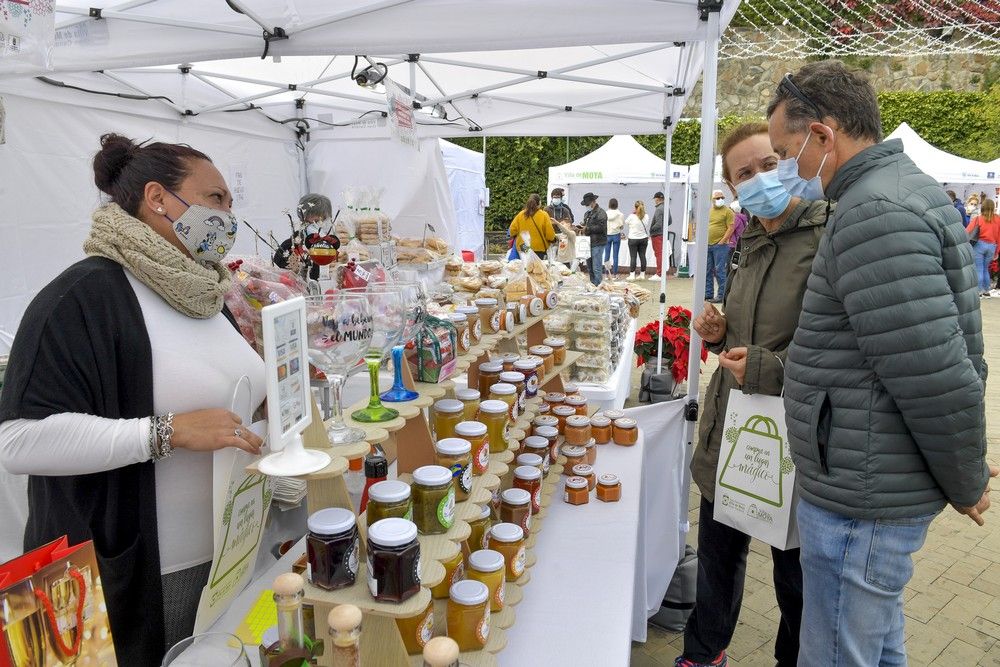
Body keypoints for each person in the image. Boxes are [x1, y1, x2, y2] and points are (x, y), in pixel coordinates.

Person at [0, 134, 266, 663]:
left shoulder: (205, 295)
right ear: (158, 198)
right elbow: (18, 441)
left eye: (230, 203)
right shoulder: (80, 296)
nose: (228, 216)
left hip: (224, 562)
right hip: (120, 581)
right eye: (215, 199)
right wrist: (166, 431)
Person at [768, 61, 995, 666]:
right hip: (865, 473)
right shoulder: (885, 194)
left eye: (786, 152)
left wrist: (966, 478)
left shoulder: (876, 212)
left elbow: (936, 375)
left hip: (861, 493)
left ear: (822, 135)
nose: (785, 170)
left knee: (841, 652)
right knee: (873, 643)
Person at [678, 122, 828, 667]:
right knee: (719, 556)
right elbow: (751, 331)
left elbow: (838, 350)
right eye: (745, 174)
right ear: (732, 189)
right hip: (733, 427)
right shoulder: (747, 240)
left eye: (768, 164)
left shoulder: (825, 234)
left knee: (795, 580)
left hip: (796, 437)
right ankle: (704, 650)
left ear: (789, 159)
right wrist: (722, 332)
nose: (760, 178)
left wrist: (768, 365)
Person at [273, 193, 340, 280]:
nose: (319, 225)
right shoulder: (289, 247)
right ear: (302, 220)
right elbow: (278, 276)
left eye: (324, 220)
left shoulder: (335, 244)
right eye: (315, 222)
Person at [705, 189, 735, 303]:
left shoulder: (728, 211)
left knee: (720, 271)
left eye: (722, 197)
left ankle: (721, 295)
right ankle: (708, 294)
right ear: (712, 199)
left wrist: (722, 241)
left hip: (720, 246)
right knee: (708, 270)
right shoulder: (709, 211)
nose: (720, 199)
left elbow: (731, 228)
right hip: (708, 245)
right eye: (718, 198)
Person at [967, 197, 1000, 298]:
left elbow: (967, 231)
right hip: (992, 246)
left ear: (983, 207)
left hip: (979, 245)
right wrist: (997, 251)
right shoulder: (998, 220)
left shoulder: (978, 219)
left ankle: (979, 291)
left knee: (979, 268)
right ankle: (986, 291)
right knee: (986, 268)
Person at [509, 193, 556, 259]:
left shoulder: (521, 214)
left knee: (526, 266)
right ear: (539, 203)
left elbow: (512, 231)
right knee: (537, 267)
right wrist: (553, 239)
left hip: (524, 246)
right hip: (539, 247)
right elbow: (549, 234)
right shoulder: (543, 215)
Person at [580, 192, 608, 285]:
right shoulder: (587, 213)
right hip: (588, 243)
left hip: (598, 243)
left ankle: (599, 287)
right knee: (590, 268)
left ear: (593, 202)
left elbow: (601, 227)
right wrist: (580, 227)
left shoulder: (601, 212)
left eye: (587, 204)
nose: (586, 206)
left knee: (596, 267)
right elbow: (587, 225)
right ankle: (593, 286)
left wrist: (587, 228)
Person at [625, 200, 650, 280]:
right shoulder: (646, 216)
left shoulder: (631, 216)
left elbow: (626, 222)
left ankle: (632, 275)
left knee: (633, 257)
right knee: (643, 256)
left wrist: (633, 213)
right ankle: (642, 275)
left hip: (633, 239)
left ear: (635, 207)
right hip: (643, 239)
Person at [649, 191, 671, 279]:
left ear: (657, 199)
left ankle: (659, 274)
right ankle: (660, 272)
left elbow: (658, 224)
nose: (654, 200)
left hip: (657, 234)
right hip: (662, 234)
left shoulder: (658, 209)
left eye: (655, 199)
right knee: (660, 253)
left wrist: (651, 229)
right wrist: (664, 228)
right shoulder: (666, 208)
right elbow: (670, 221)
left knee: (658, 254)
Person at [605, 197, 625, 278]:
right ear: (617, 204)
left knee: (607, 255)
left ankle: (606, 274)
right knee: (615, 255)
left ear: (609, 204)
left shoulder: (605, 213)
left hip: (607, 235)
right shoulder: (620, 214)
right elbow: (621, 227)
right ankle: (615, 274)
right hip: (616, 235)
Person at [726, 200, 749, 269]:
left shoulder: (735, 218)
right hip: (738, 243)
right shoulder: (742, 217)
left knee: (730, 265)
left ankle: (730, 279)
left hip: (733, 244)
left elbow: (730, 230)